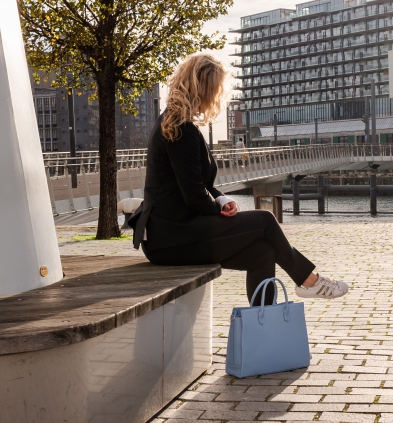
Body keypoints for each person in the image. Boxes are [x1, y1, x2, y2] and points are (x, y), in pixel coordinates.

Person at [130, 53, 348, 306]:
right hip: (171, 239)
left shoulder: (172, 122)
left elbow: (196, 183)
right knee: (265, 220)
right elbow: (193, 195)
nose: (217, 98)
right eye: (216, 90)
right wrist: (217, 209)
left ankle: (263, 324)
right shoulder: (180, 129)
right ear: (205, 89)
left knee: (262, 252)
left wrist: (220, 199)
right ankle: (309, 281)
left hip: (173, 235)